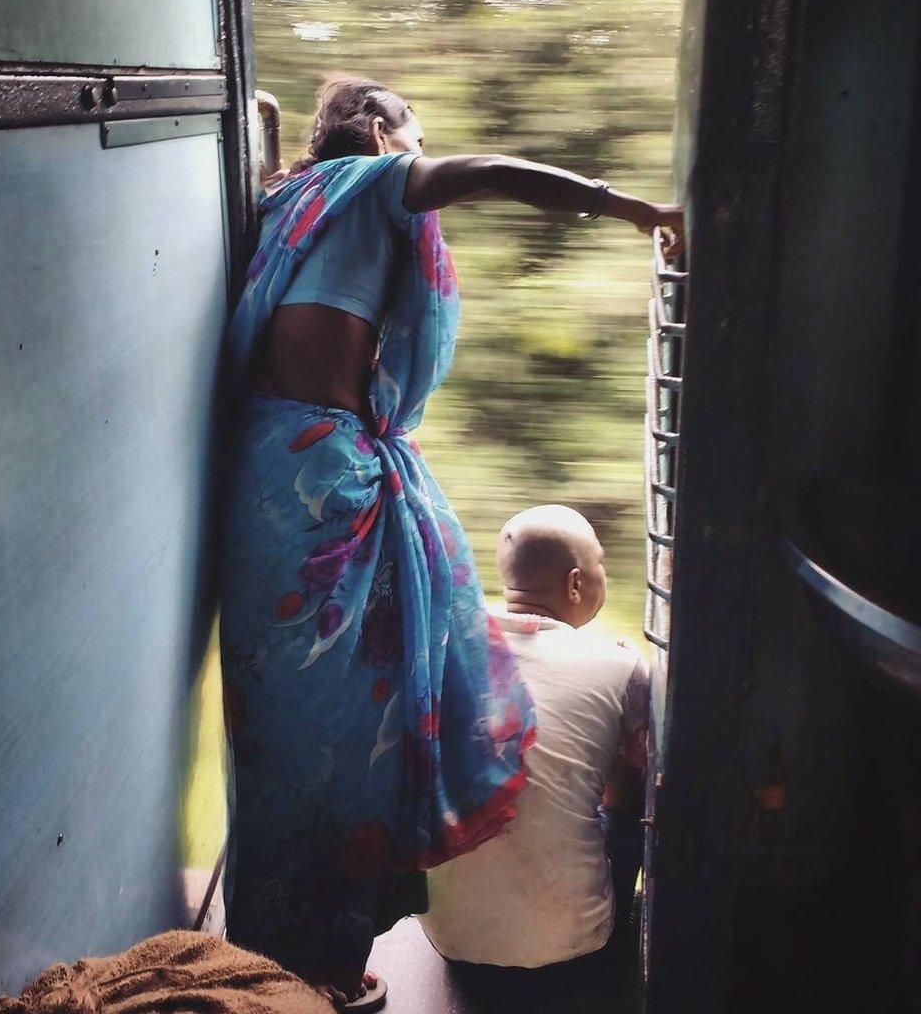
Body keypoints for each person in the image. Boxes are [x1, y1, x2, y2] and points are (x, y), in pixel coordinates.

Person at [219, 76, 678, 1010]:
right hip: (328, 486)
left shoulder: (280, 201)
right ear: (384, 133)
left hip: (261, 473)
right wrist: (622, 204)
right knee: (352, 735)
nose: (419, 157)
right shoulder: (376, 181)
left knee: (275, 729)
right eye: (412, 138)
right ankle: (325, 966)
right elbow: (489, 173)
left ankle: (268, 954)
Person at [419, 505, 650, 998]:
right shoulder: (619, 665)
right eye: (600, 565)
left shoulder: (442, 646)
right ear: (574, 585)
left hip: (449, 939)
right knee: (629, 807)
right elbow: (626, 792)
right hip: (578, 951)